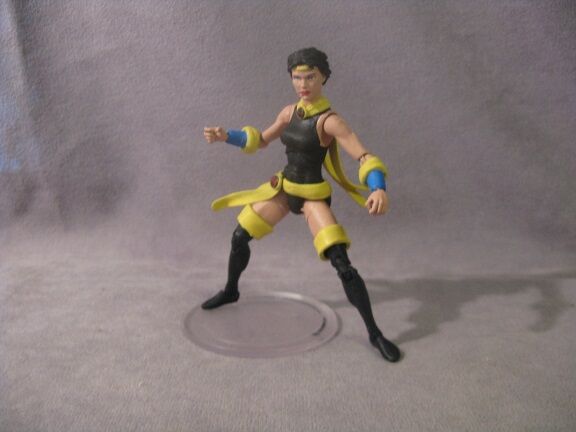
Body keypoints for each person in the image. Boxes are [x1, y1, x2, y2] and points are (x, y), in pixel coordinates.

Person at [202, 47, 400, 362]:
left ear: (323, 78)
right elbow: (261, 140)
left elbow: (364, 156)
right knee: (240, 236)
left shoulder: (330, 121)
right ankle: (231, 290)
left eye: (310, 77)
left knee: (342, 264)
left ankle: (375, 333)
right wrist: (227, 136)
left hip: (311, 196)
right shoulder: (288, 113)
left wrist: (378, 188)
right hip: (284, 188)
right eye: (297, 77)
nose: (303, 84)